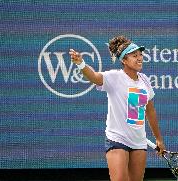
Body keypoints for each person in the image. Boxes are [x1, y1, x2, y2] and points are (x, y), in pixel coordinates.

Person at [69, 35, 165, 181]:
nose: (139, 58)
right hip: (117, 139)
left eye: (140, 55)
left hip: (139, 141)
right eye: (134, 55)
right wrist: (81, 63)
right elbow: (94, 77)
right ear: (124, 60)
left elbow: (150, 110)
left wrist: (158, 138)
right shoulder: (114, 77)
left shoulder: (144, 80)